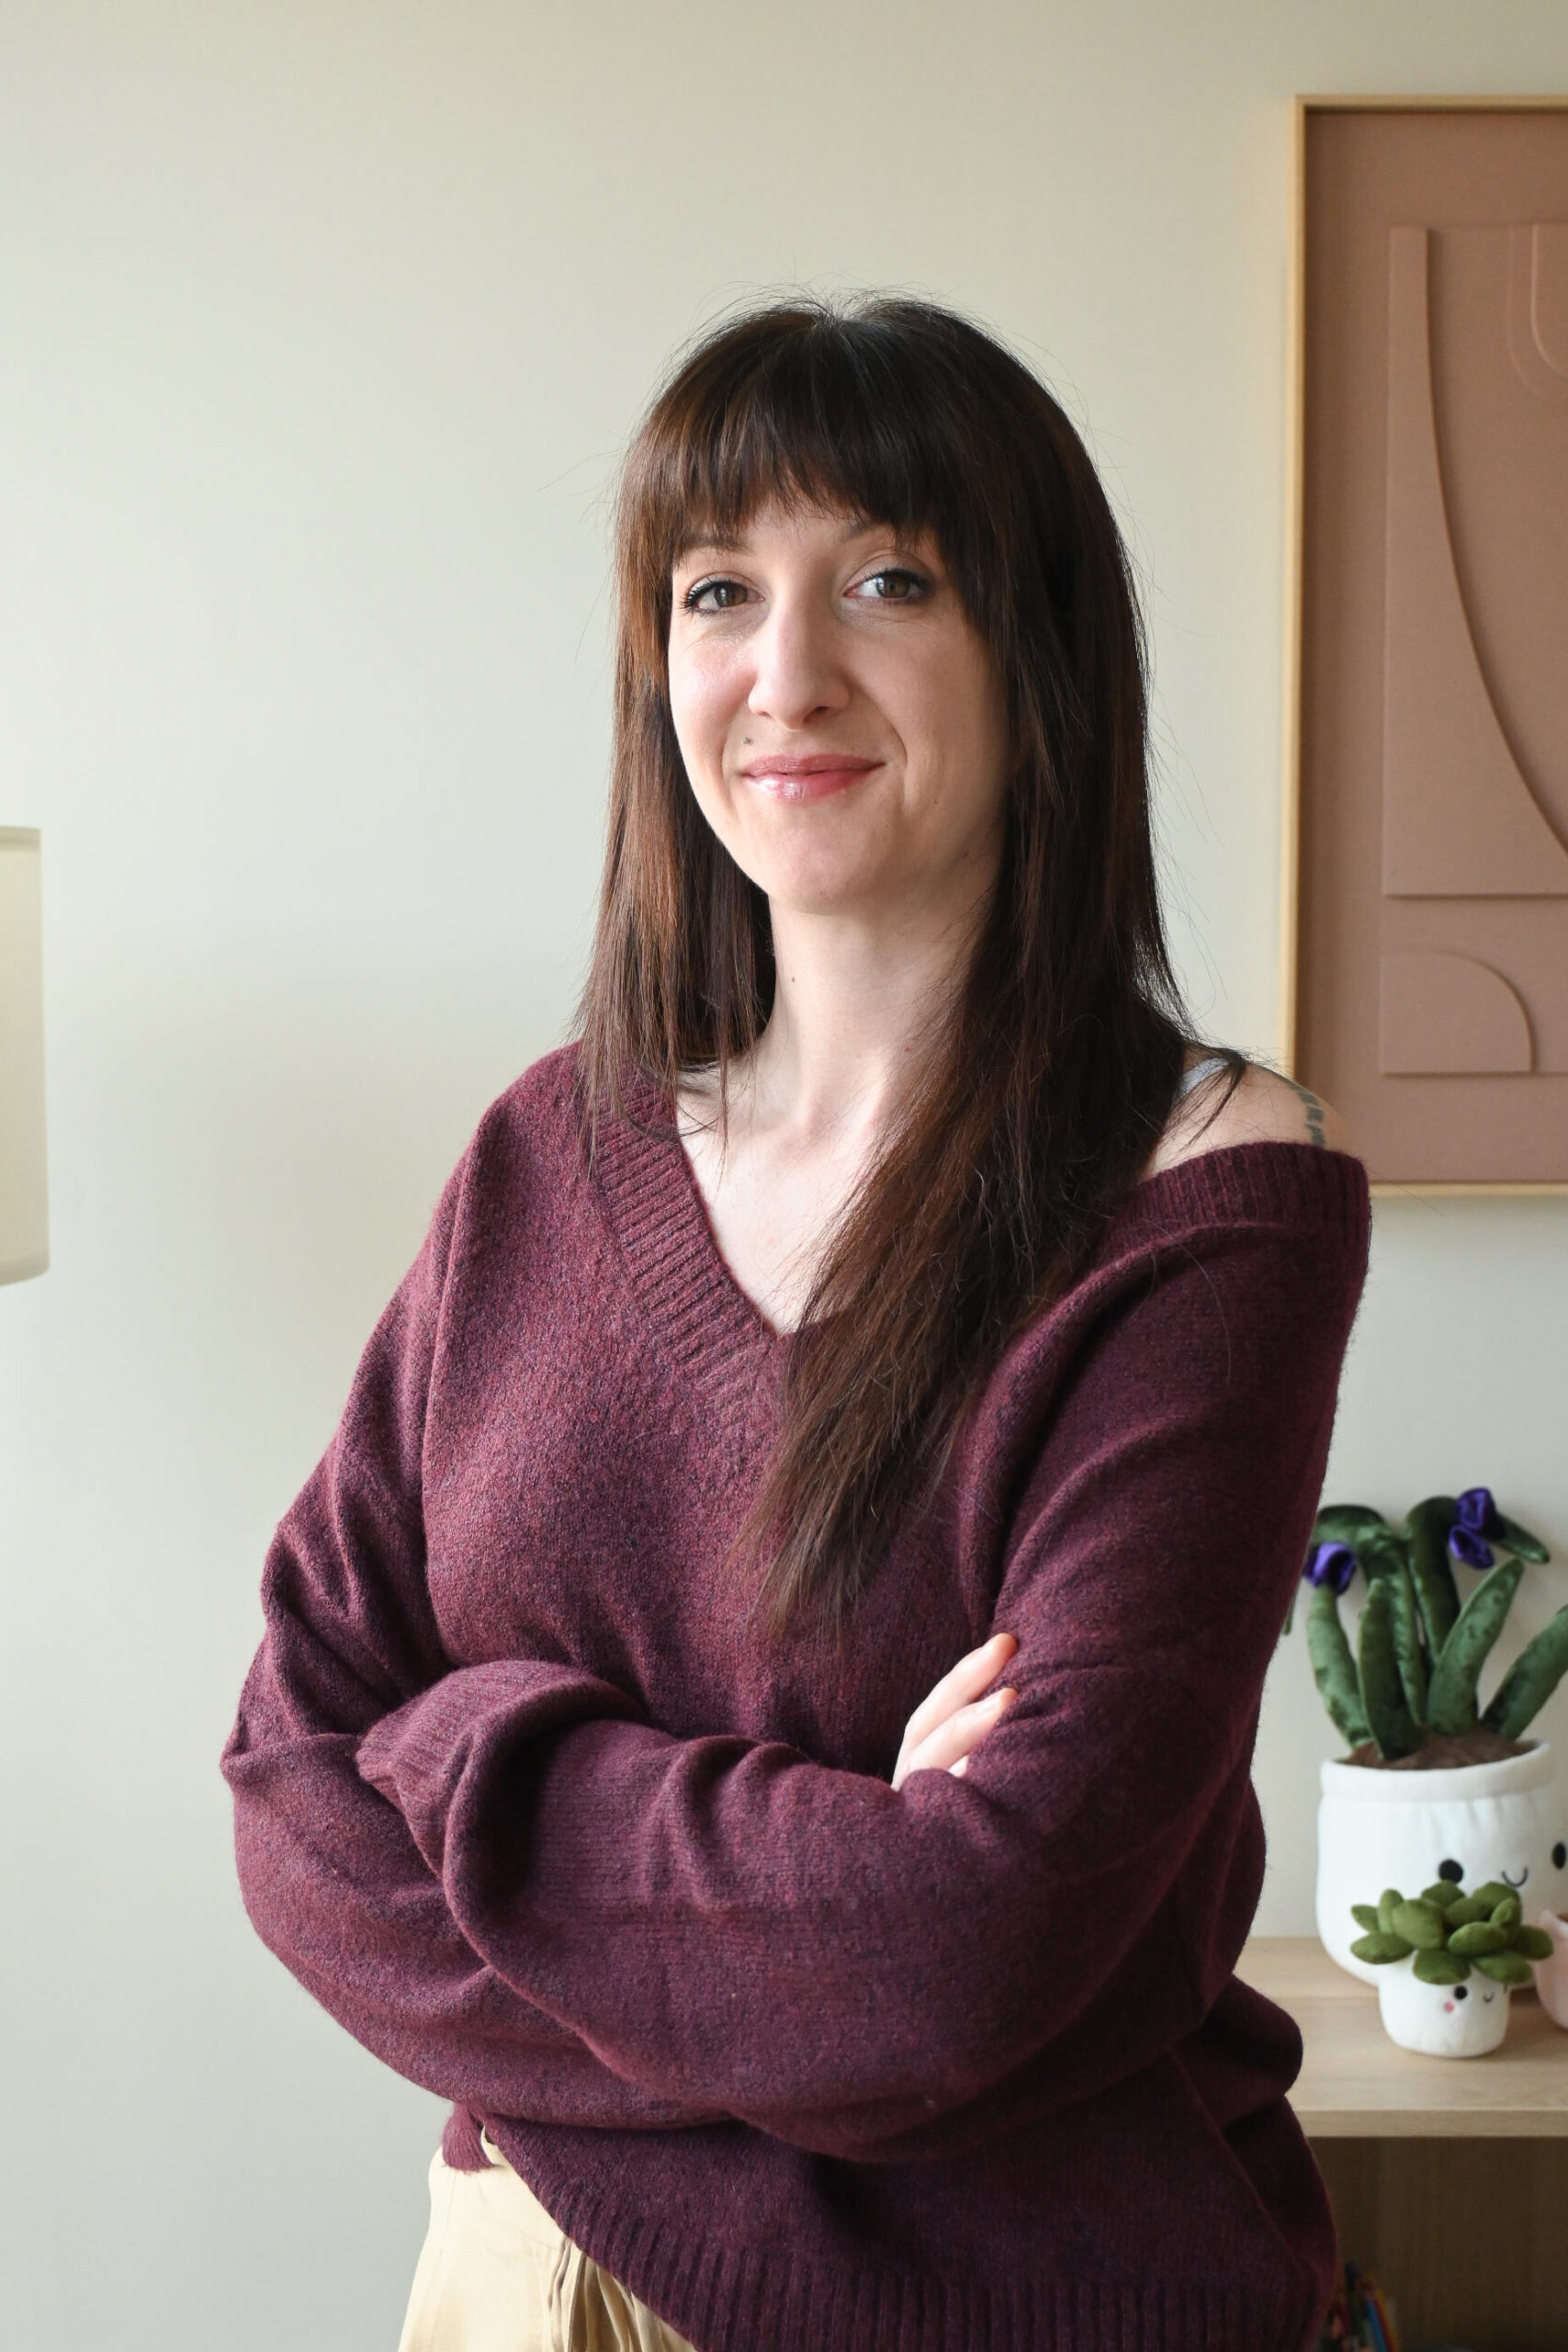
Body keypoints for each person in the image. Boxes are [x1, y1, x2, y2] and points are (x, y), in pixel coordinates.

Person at [221, 293, 1370, 2352]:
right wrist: (836, 1845)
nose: (783, 671)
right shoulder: (542, 1156)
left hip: (1013, 2303)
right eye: (716, 589)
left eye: (887, 579)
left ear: (1038, 656)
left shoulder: (1203, 1193)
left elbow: (967, 1950)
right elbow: (288, 1787)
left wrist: (460, 1740)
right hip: (512, 2277)